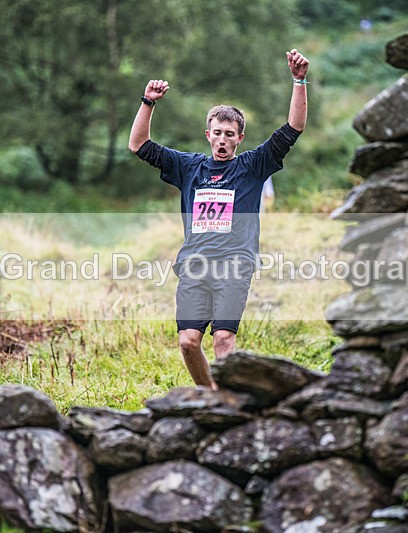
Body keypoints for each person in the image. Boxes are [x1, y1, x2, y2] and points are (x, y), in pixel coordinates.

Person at [128, 48, 309, 389]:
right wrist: (147, 102)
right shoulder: (189, 166)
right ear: (207, 135)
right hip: (194, 265)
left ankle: (228, 403)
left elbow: (294, 127)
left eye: (230, 134)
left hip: (234, 265)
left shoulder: (252, 166)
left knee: (224, 338)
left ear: (239, 138)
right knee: (188, 342)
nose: (222, 139)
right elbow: (138, 145)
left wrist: (299, 80)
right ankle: (210, 394)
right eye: (217, 133)